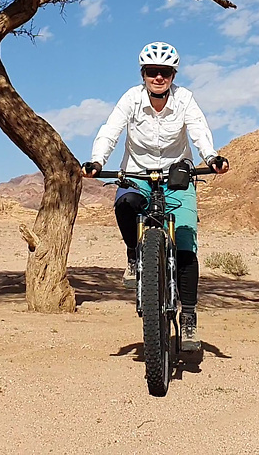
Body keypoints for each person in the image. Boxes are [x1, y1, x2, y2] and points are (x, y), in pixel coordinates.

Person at [81, 41, 229, 352]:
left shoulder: (184, 99)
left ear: (173, 75)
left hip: (178, 175)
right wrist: (97, 161)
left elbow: (199, 129)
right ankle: (135, 257)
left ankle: (188, 318)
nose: (158, 78)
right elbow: (111, 129)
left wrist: (211, 157)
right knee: (125, 203)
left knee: (186, 248)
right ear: (143, 74)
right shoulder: (131, 99)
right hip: (137, 173)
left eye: (164, 72)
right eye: (152, 72)